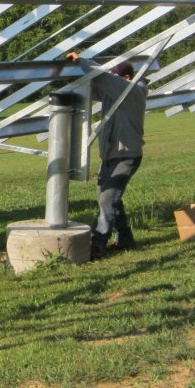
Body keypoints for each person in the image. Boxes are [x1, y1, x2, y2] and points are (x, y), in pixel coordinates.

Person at [66, 52, 146, 260]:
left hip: (126, 155)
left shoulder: (132, 89)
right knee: (111, 199)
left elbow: (101, 76)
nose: (111, 74)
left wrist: (80, 60)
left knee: (107, 199)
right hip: (112, 155)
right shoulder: (116, 92)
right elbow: (94, 87)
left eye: (114, 72)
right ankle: (125, 238)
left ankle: (98, 244)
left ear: (126, 77)